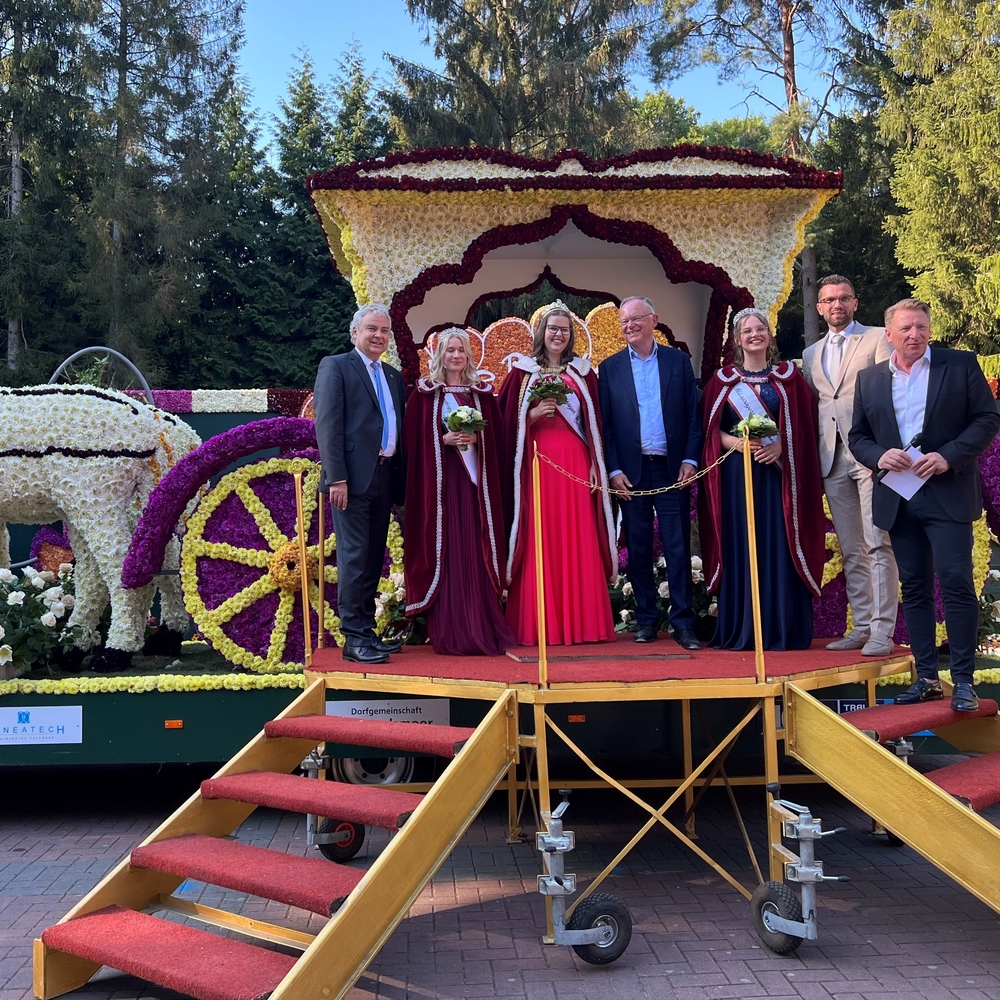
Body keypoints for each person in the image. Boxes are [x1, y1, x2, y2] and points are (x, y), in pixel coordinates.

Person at [849, 299, 1000, 712]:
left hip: (947, 491)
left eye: (921, 327)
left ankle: (964, 682)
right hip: (899, 497)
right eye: (906, 329)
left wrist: (949, 455)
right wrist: (879, 455)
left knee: (955, 582)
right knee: (914, 588)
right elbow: (858, 436)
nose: (914, 335)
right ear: (889, 335)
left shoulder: (960, 365)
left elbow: (987, 419)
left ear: (929, 329)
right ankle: (928, 679)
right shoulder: (870, 379)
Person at [699, 307, 825, 650]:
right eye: (747, 331)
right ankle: (745, 627)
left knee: (779, 544)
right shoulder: (722, 381)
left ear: (770, 336)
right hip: (737, 477)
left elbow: (806, 427)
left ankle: (782, 628)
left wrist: (782, 445)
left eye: (760, 329)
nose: (755, 335)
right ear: (737, 340)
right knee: (743, 544)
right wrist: (735, 443)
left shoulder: (789, 379)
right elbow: (708, 431)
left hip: (780, 478)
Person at [499, 301, 616, 645]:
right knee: (541, 535)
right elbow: (504, 423)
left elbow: (595, 424)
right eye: (553, 328)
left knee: (577, 534)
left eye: (564, 329)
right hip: (537, 462)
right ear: (542, 332)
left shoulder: (583, 373)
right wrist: (532, 414)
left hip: (576, 460)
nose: (558, 334)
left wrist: (595, 463)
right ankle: (540, 624)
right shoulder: (522, 372)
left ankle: (583, 625)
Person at [597, 296, 703, 649]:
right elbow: (606, 427)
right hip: (632, 473)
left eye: (635, 319)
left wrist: (690, 459)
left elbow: (693, 417)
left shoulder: (678, 361)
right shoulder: (609, 369)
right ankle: (645, 621)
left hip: (672, 470)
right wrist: (613, 470)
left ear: (653, 320)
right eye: (624, 321)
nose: (629, 326)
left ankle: (683, 623)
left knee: (677, 547)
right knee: (639, 548)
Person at [402, 328, 516, 656]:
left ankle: (480, 625)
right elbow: (411, 445)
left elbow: (499, 442)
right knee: (448, 549)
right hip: (441, 487)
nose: (455, 356)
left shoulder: (481, 395)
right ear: (440, 355)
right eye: (450, 350)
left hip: (474, 487)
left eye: (461, 350)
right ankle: (451, 629)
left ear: (468, 355)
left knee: (475, 545)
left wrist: (478, 439)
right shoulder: (425, 394)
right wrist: (442, 440)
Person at [803, 275, 898, 655]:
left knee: (878, 543)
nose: (837, 305)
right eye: (829, 300)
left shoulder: (877, 339)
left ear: (855, 303)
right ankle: (862, 626)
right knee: (852, 548)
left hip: (871, 456)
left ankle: (882, 631)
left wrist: (883, 452)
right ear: (819, 308)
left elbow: (890, 396)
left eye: (843, 298)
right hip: (831, 458)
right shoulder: (811, 354)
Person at [314, 304, 406, 665]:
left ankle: (367, 632)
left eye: (384, 330)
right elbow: (328, 425)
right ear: (355, 332)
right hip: (350, 480)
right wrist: (336, 478)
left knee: (372, 557)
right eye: (371, 329)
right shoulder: (336, 366)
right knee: (353, 556)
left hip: (385, 475)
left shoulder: (393, 376)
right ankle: (353, 638)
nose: (378, 336)